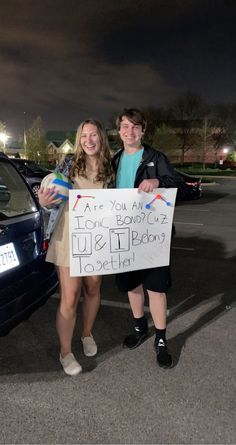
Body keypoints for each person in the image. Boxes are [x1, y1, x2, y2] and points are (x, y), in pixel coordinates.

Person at [38, 119, 114, 376]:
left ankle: (87, 333)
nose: (89, 140)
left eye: (93, 135)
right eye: (84, 136)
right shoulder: (69, 163)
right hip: (69, 236)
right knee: (69, 297)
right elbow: (52, 195)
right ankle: (65, 352)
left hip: (97, 238)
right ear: (79, 139)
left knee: (93, 288)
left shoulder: (110, 166)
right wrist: (44, 200)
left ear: (101, 137)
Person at [112, 108, 183, 369]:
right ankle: (140, 326)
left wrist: (157, 181)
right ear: (118, 131)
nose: (129, 131)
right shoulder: (115, 160)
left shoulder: (155, 157)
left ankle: (161, 339)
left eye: (135, 127)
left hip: (153, 234)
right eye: (125, 126)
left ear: (143, 130)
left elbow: (177, 183)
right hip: (125, 233)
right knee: (132, 285)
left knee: (156, 287)